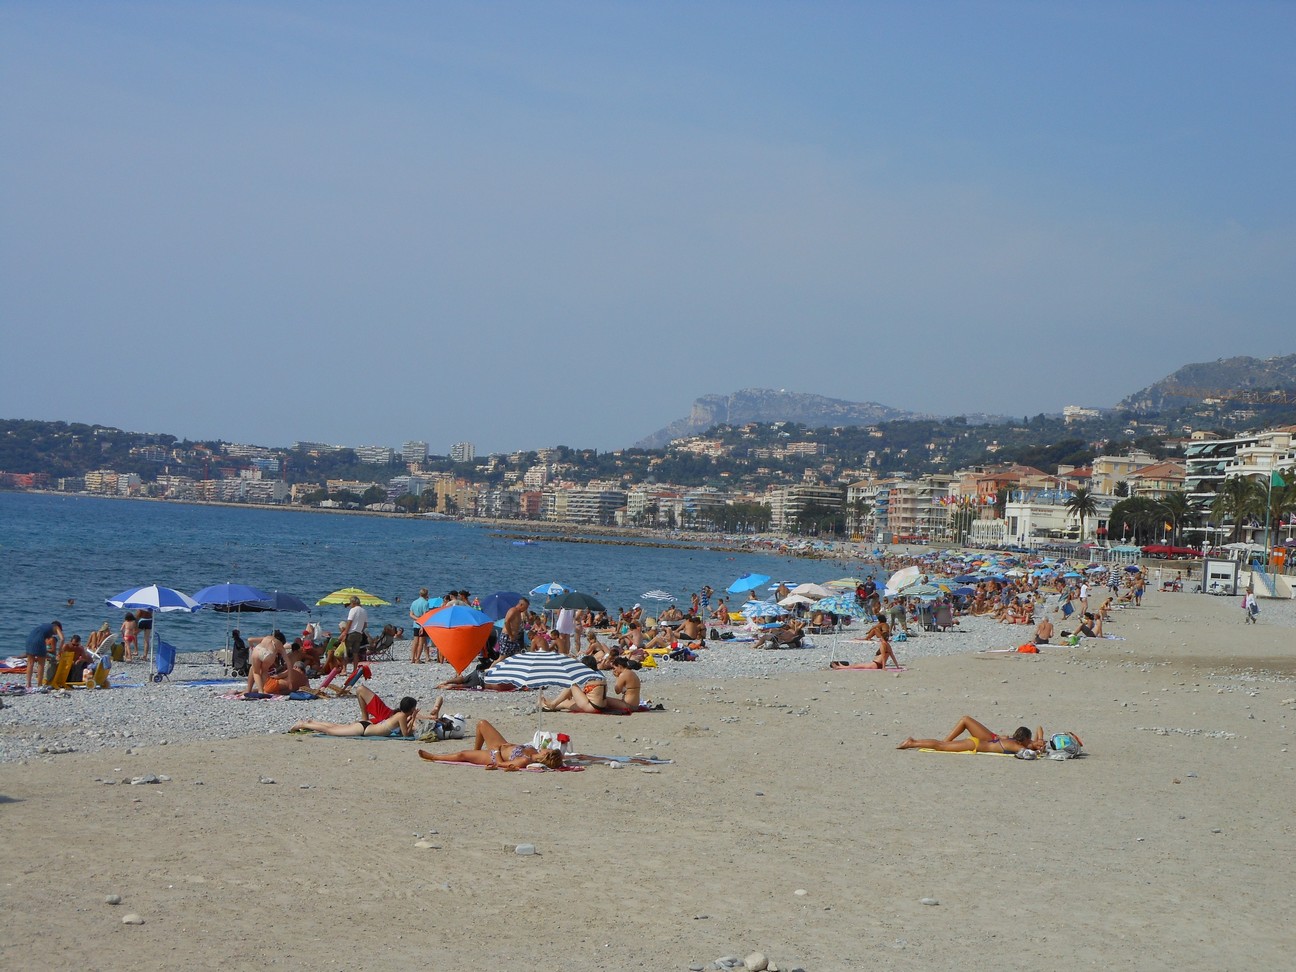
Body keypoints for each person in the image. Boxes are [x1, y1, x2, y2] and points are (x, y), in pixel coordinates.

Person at [417, 719, 564, 770]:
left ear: (545, 754)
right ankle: (475, 752)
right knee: (482, 724)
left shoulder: (525, 760)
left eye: (549, 749)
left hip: (493, 755)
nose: (548, 747)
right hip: (502, 744)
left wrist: (496, 753)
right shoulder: (533, 750)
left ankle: (434, 756)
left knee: (462, 755)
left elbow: (501, 765)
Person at [290, 688, 443, 737]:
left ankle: (310, 722)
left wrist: (414, 717)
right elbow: (405, 734)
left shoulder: (399, 715)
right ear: (410, 709)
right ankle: (303, 724)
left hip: (367, 726)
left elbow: (406, 727)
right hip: (364, 729)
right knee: (332, 731)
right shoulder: (402, 716)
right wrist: (415, 717)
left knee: (336, 726)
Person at [897, 716, 1046, 754]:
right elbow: (1027, 753)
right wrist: (1038, 748)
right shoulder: (1016, 746)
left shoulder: (1018, 741)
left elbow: (1039, 728)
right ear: (1025, 740)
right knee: (941, 746)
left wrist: (1039, 740)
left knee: (942, 745)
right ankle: (912, 742)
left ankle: (914, 742)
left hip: (979, 742)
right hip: (975, 744)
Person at [247, 630, 293, 694]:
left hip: (257, 650)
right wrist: (290, 680)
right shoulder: (279, 644)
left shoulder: (267, 637)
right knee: (264, 671)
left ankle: (260, 690)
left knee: (256, 672)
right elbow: (288, 662)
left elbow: (250, 640)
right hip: (269, 654)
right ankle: (262, 691)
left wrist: (251, 646)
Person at [24, 620, 63, 689]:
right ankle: (39, 684)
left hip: (29, 639)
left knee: (30, 663)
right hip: (39, 641)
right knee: (41, 663)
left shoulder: (44, 625)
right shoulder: (56, 627)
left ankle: (28, 684)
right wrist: (59, 651)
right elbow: (62, 639)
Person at [337, 596, 369, 662]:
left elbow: (349, 622)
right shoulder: (364, 611)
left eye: (350, 603)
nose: (350, 605)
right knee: (355, 653)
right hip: (359, 634)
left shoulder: (353, 610)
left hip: (351, 633)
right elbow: (365, 625)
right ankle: (355, 670)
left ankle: (344, 669)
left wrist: (345, 633)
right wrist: (361, 631)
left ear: (353, 603)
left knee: (345, 652)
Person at [410, 587, 431, 663]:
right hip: (422, 624)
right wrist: (421, 623)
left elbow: (411, 614)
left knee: (415, 642)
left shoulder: (414, 602)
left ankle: (412, 658)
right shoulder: (426, 603)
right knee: (421, 643)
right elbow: (425, 616)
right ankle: (417, 659)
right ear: (426, 594)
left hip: (415, 624)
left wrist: (417, 619)